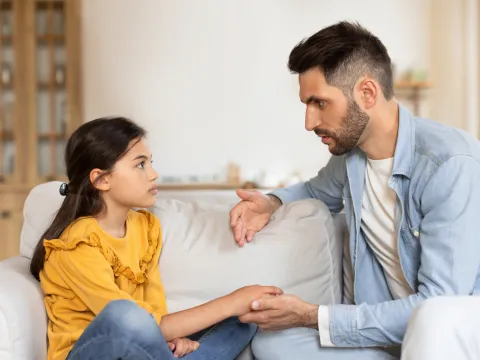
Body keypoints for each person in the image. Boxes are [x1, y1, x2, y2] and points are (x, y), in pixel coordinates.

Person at [229, 20, 480, 360]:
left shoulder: (449, 163)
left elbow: (438, 305)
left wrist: (313, 316)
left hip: (451, 335)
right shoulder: (352, 159)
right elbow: (314, 191)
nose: (309, 122)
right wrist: (271, 202)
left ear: (366, 93)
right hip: (390, 337)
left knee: (432, 319)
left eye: (319, 103)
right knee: (271, 343)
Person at [30, 117, 283, 360]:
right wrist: (230, 302)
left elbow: (154, 312)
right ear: (102, 179)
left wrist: (166, 338)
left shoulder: (145, 227)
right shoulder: (77, 244)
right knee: (125, 315)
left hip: (142, 346)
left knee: (244, 320)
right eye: (141, 164)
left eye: (150, 162)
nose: (153, 174)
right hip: (92, 352)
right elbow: (134, 325)